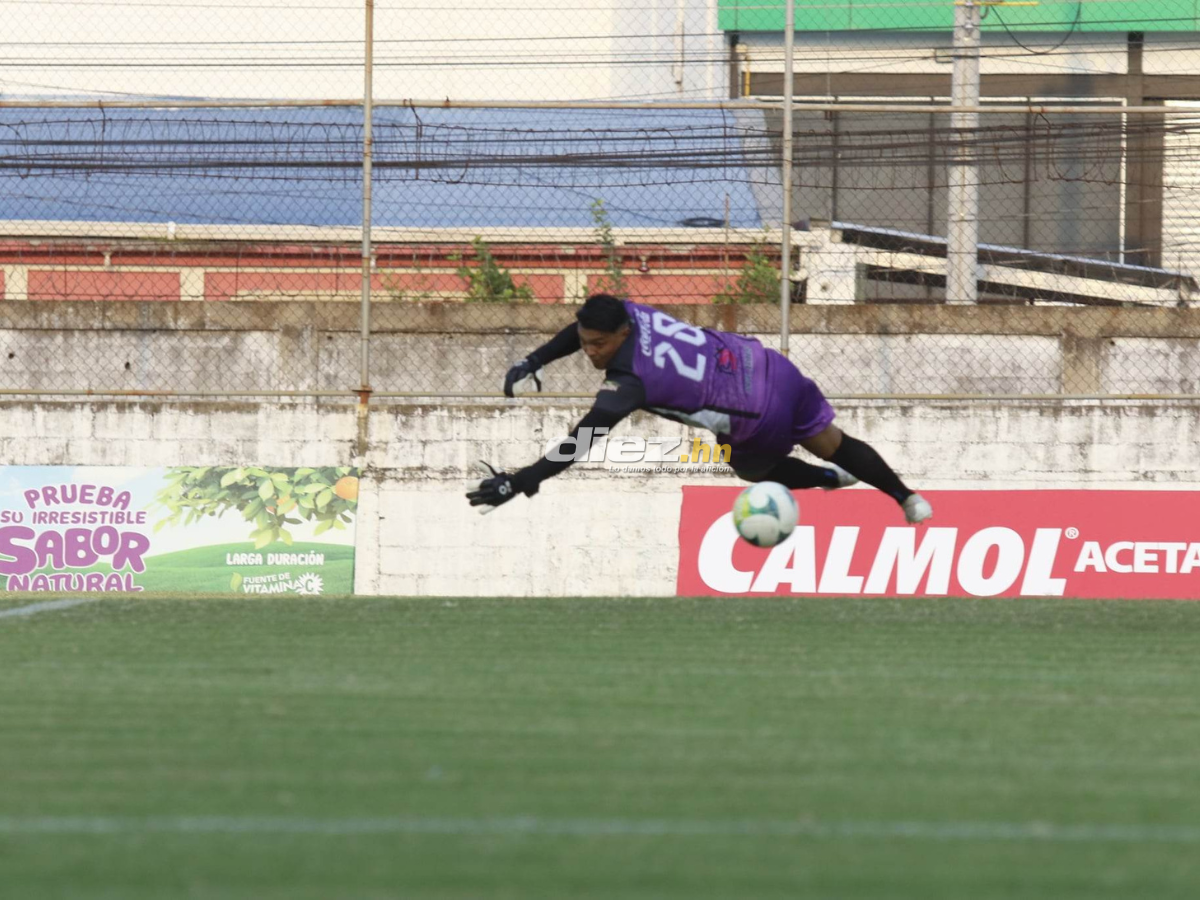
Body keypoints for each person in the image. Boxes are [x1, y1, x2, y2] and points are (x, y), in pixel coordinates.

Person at [466, 294, 932, 524]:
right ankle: (906, 497)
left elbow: (582, 439)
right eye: (586, 343)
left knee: (747, 469)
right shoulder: (629, 310)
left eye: (599, 345)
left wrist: (524, 478)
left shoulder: (629, 383)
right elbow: (581, 327)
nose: (590, 352)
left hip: (752, 411)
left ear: (623, 334)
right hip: (769, 366)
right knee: (833, 442)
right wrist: (536, 360)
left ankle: (827, 479)